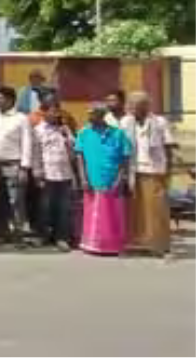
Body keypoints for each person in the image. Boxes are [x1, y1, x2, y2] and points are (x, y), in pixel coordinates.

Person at [120, 92, 176, 257]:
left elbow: (168, 146)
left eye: (135, 106)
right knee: (136, 210)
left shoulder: (159, 122)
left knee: (156, 209)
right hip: (134, 170)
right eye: (130, 106)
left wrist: (169, 171)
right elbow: (122, 146)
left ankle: (159, 244)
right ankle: (138, 244)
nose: (131, 109)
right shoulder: (126, 122)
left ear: (145, 106)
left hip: (155, 170)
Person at [75, 103, 132, 256]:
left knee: (112, 215)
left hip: (111, 179)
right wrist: (83, 178)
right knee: (92, 213)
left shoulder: (118, 134)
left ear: (101, 115)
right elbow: (79, 157)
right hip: (92, 179)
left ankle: (111, 246)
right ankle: (91, 244)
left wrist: (121, 178)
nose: (89, 117)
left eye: (92, 113)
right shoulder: (84, 133)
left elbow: (125, 158)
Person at [0, 86, 33, 243]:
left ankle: (18, 233)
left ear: (10, 100)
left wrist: (24, 168)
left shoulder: (21, 118)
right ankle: (0, 233)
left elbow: (27, 143)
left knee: (15, 200)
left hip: (14, 164)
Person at [31, 101, 76, 251]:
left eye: (57, 111)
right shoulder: (38, 130)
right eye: (52, 111)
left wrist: (66, 136)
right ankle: (41, 236)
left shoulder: (64, 128)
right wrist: (37, 172)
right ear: (44, 113)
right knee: (44, 207)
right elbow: (36, 153)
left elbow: (73, 150)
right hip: (47, 173)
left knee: (63, 208)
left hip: (64, 174)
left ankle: (61, 238)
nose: (56, 114)